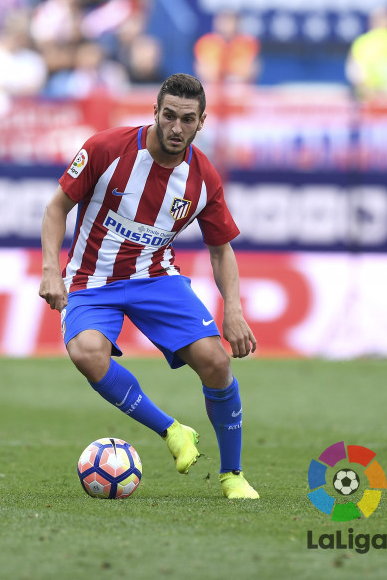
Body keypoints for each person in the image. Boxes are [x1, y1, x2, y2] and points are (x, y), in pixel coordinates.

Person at [39, 73, 259, 499]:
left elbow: (221, 249)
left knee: (216, 362)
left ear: (202, 122)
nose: (177, 127)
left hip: (155, 277)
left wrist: (233, 309)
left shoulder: (203, 178)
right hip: (90, 279)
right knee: (86, 353)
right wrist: (51, 270)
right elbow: (56, 208)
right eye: (169, 116)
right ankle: (172, 430)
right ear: (155, 112)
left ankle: (233, 475)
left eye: (187, 119)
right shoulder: (106, 148)